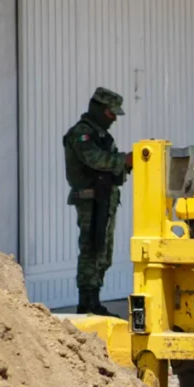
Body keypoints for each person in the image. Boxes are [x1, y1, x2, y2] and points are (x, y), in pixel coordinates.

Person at [63, 87, 133, 316]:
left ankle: (95, 301)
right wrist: (124, 160)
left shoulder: (102, 135)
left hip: (105, 199)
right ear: (100, 109)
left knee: (103, 252)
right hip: (90, 201)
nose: (113, 119)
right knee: (91, 248)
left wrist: (124, 166)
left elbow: (111, 168)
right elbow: (95, 160)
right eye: (111, 114)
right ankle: (87, 303)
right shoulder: (82, 134)